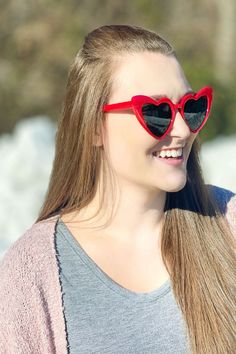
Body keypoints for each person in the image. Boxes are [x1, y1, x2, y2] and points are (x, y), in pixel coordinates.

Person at [0, 24, 235, 354]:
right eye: (156, 112)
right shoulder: (31, 271)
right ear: (94, 127)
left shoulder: (227, 224)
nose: (182, 129)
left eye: (190, 106)